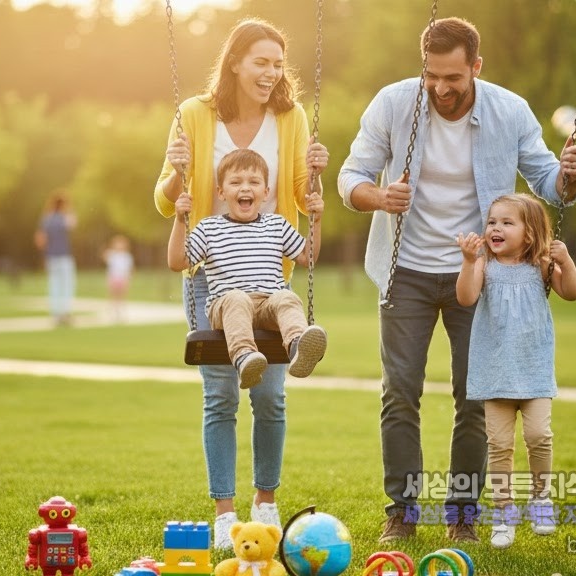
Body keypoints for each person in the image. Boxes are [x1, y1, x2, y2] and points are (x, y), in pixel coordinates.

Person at [337, 16, 576, 543]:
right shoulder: (394, 102)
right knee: (400, 393)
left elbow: (549, 184)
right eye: (431, 75)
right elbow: (351, 177)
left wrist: (569, 175)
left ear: (476, 66)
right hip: (404, 270)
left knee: (475, 397)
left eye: (453, 77)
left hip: (477, 277)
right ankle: (402, 511)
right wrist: (379, 197)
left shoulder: (509, 110)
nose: (440, 88)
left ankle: (463, 515)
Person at [153, 17, 329, 549]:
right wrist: (176, 172)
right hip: (213, 276)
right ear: (235, 62)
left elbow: (301, 194)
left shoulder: (290, 115)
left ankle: (266, 503)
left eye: (278, 64)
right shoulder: (193, 116)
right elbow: (166, 197)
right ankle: (226, 512)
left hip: (272, 276)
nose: (272, 74)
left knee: (272, 397)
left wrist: (318, 174)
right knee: (220, 398)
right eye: (261, 63)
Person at [455, 193, 576, 549]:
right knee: (499, 445)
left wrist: (566, 261)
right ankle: (503, 513)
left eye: (507, 222)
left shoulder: (541, 267)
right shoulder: (483, 265)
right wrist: (467, 261)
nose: (496, 228)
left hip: (534, 371)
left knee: (540, 435)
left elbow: (571, 292)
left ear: (529, 233)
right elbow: (465, 297)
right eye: (492, 221)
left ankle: (541, 499)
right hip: (495, 373)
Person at [167, 148, 328, 387]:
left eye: (254, 182)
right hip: (227, 306)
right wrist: (180, 220)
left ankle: (298, 346)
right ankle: (244, 357)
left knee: (286, 296)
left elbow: (307, 257)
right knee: (237, 299)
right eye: (235, 182)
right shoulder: (209, 228)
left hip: (267, 305)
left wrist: (315, 220)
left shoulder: (276, 224)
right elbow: (177, 262)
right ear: (221, 192)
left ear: (265, 192)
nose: (245, 188)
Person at [34, 192, 76, 327]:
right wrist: (69, 210)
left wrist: (45, 254)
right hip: (64, 256)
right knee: (67, 285)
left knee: (54, 286)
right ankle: (65, 313)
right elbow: (74, 223)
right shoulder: (64, 218)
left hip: (51, 257)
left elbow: (40, 240)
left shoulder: (46, 219)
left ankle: (56, 314)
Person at [103, 234, 134, 323]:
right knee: (113, 296)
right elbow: (105, 258)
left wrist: (130, 278)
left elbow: (130, 268)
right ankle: (112, 312)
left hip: (123, 279)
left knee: (122, 296)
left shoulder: (127, 256)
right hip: (113, 278)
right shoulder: (112, 255)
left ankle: (121, 313)